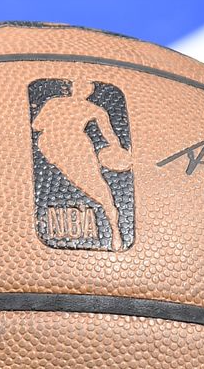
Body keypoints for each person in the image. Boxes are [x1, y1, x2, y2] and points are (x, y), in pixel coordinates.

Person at [33, 81, 133, 248]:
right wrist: (118, 150)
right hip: (75, 144)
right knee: (97, 184)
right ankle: (114, 228)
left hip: (52, 144)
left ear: (73, 88)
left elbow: (37, 125)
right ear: (88, 92)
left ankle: (114, 227)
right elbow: (111, 137)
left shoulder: (54, 102)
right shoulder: (95, 109)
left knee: (90, 183)